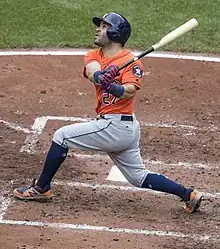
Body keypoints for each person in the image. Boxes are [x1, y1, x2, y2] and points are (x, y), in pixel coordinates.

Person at [14, 12, 202, 213]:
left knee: (62, 136)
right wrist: (101, 76)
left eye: (104, 26)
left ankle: (42, 188)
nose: (98, 29)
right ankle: (188, 194)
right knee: (138, 177)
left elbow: (128, 93)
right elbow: (92, 70)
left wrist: (113, 86)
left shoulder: (132, 62)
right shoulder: (94, 55)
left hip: (116, 127)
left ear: (115, 32)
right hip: (121, 128)